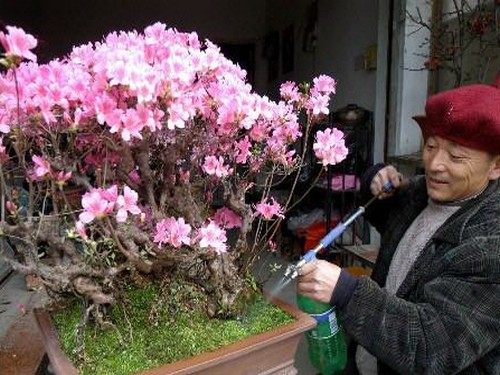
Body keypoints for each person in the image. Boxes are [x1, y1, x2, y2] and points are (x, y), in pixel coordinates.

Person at [297, 81, 500, 374]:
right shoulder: (423, 192)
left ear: (495, 166)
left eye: (456, 156)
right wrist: (375, 179)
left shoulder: (490, 246)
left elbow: (430, 349)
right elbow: (380, 208)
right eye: (431, 146)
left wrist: (347, 292)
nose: (435, 165)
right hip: (368, 358)